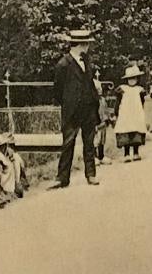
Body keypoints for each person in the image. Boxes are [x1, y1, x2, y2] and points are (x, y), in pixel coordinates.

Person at [51, 28, 101, 188]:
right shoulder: (63, 64)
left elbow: (90, 83)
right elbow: (57, 90)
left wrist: (94, 101)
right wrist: (68, 103)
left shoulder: (87, 61)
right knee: (68, 144)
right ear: (80, 44)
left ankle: (91, 174)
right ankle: (62, 178)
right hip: (72, 111)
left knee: (89, 143)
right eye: (86, 44)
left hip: (88, 109)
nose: (88, 47)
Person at [115, 64, 148, 162]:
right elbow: (118, 101)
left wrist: (141, 111)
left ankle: (136, 152)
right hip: (126, 114)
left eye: (134, 78)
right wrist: (116, 111)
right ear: (126, 79)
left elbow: (142, 102)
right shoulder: (123, 89)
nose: (132, 80)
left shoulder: (139, 90)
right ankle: (126, 154)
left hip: (136, 113)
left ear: (137, 79)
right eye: (130, 78)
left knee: (136, 132)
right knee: (126, 132)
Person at [94, 70, 115, 166]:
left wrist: (109, 119)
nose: (99, 90)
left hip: (103, 121)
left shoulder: (102, 100)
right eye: (96, 89)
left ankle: (101, 156)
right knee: (95, 140)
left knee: (102, 139)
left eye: (100, 89)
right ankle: (94, 157)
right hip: (95, 123)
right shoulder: (92, 101)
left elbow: (105, 110)